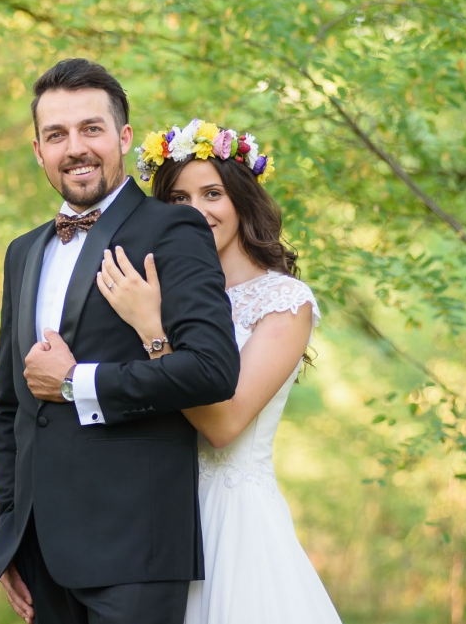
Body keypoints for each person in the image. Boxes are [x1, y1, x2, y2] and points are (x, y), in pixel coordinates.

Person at [0, 59, 241, 624]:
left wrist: (77, 382)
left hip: (136, 551)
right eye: (57, 135)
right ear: (38, 151)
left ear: (123, 136)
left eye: (91, 129)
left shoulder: (173, 229)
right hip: (39, 558)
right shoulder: (22, 252)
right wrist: (10, 530)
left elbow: (213, 370)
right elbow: (8, 407)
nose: (75, 147)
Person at [96, 118, 342, 623]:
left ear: (241, 200)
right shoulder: (151, 289)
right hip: (156, 517)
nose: (197, 211)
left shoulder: (282, 302)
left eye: (212, 193)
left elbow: (224, 425)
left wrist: (152, 330)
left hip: (232, 522)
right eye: (179, 199)